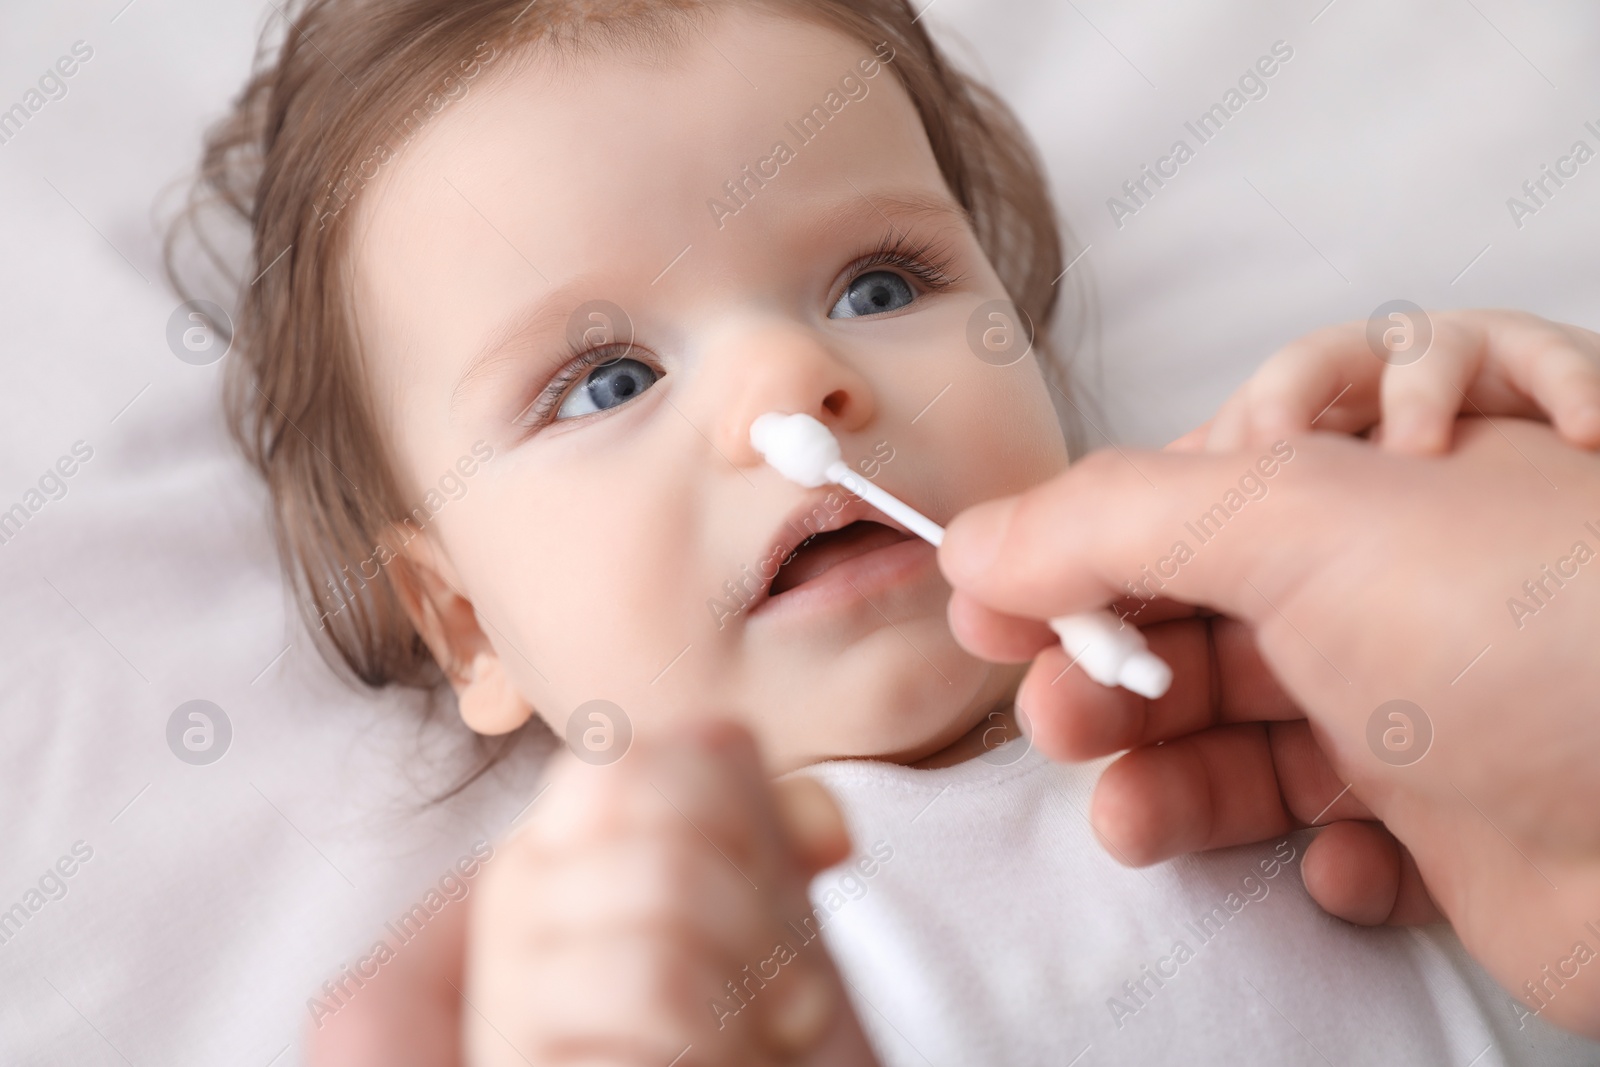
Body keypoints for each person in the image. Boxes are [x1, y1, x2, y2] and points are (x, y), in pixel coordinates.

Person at [178, 0, 1600, 1061]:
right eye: (607, 381)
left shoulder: (1299, 686)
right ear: (468, 624)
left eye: (876, 284)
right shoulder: (617, 949)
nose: (789, 386)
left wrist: (1522, 535)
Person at [940, 311, 1600, 1038]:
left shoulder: (1354, 707)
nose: (802, 384)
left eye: (878, 291)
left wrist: (1555, 495)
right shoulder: (799, 931)